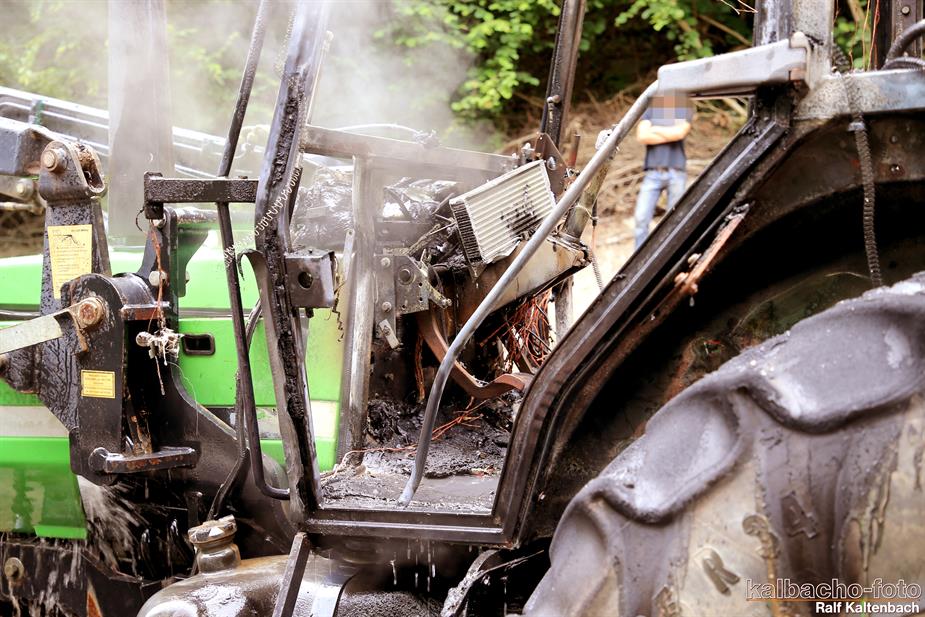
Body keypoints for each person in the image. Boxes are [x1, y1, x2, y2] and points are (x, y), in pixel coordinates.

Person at [633, 93, 693, 248]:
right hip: (653, 172)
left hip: (676, 171)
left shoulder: (683, 106)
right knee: (641, 218)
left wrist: (654, 129)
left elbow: (679, 133)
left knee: (675, 220)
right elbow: (642, 136)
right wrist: (669, 132)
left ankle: (672, 253)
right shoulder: (652, 108)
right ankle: (639, 256)